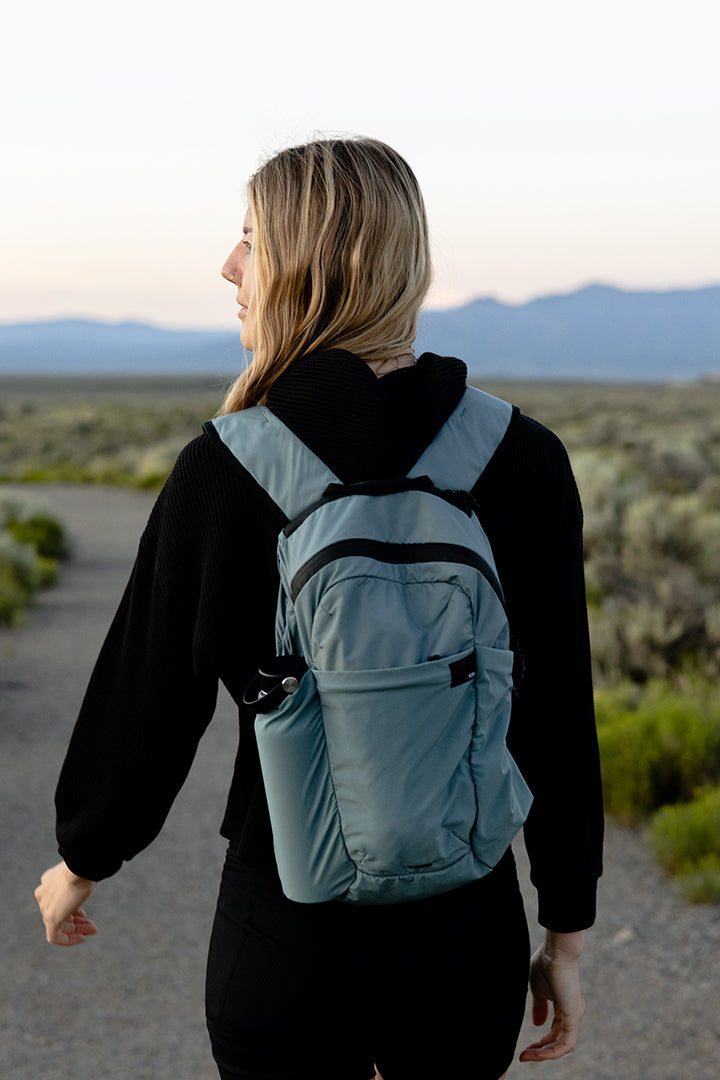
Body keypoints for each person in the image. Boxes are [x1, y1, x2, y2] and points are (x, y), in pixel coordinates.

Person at [35, 136, 603, 1080]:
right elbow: (555, 715)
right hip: (466, 937)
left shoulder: (228, 464)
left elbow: (150, 698)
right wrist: (568, 932)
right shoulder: (520, 456)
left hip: (283, 933)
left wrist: (82, 859)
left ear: (312, 263)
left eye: (252, 239)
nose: (229, 265)